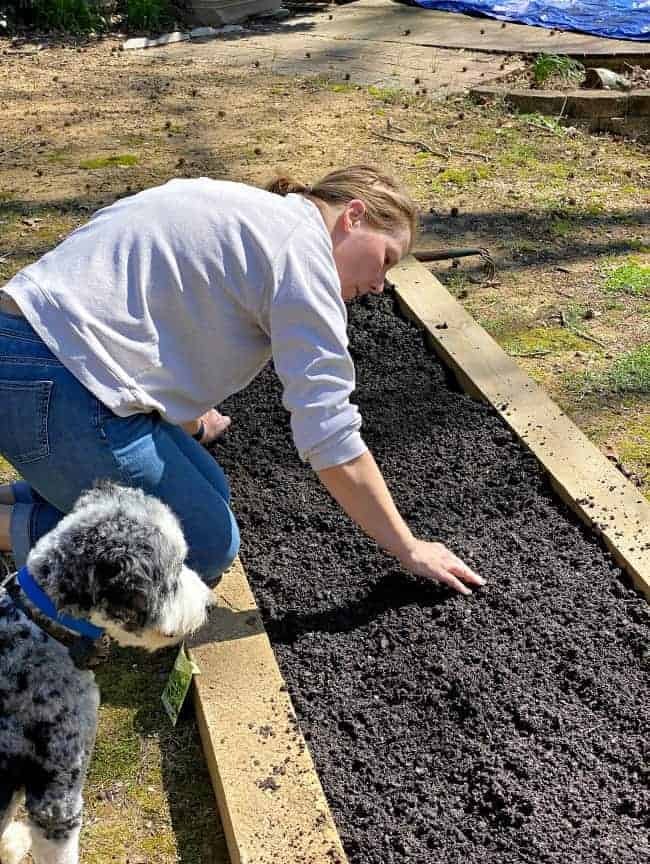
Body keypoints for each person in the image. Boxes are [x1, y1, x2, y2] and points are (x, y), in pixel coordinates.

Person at [0, 165, 484, 595]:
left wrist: (186, 422)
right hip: (54, 384)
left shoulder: (250, 211)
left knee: (209, 490)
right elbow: (330, 434)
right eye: (386, 259)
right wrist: (407, 546)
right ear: (353, 215)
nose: (381, 284)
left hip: (24, 353)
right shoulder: (304, 258)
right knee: (200, 546)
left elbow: (165, 312)